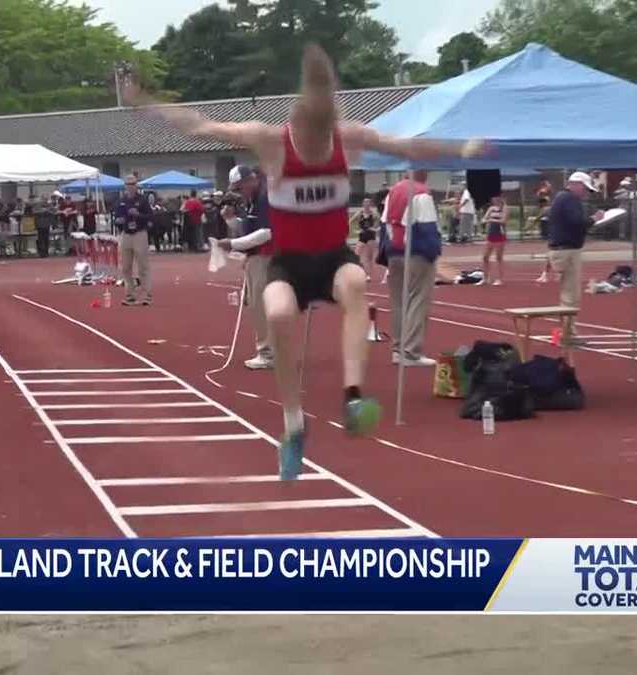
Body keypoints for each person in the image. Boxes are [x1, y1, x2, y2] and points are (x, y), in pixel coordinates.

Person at [134, 43, 484, 480]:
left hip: (333, 257)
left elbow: (406, 145)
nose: (320, 149)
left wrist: (462, 148)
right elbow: (202, 128)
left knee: (356, 283)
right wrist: (148, 104)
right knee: (278, 312)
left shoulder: (349, 137)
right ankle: (293, 422)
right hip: (290, 263)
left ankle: (353, 394)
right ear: (299, 126)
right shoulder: (268, 139)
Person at [216, 165, 275, 371]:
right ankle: (268, 350)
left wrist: (233, 245)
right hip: (255, 257)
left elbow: (266, 233)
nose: (239, 193)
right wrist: (230, 219)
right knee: (255, 304)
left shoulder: (265, 198)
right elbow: (247, 229)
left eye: (240, 188)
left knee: (261, 306)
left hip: (266, 257)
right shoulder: (251, 200)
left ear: (251, 181)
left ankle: (268, 353)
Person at [382, 170, 440, 367]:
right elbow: (428, 228)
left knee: (398, 302)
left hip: (394, 252)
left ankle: (398, 349)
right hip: (415, 252)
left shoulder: (394, 191)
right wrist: (434, 253)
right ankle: (411, 351)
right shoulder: (421, 193)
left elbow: (385, 224)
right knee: (418, 299)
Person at [548, 172, 602, 341]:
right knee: (571, 295)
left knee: (568, 294)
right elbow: (576, 223)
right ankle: (568, 333)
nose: (586, 193)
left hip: (561, 249)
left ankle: (566, 330)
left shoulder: (561, 198)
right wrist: (594, 219)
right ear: (577, 185)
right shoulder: (569, 199)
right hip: (567, 250)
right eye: (585, 189)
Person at [113, 175, 153, 306]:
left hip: (139, 233)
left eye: (132, 184)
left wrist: (138, 215)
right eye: (128, 184)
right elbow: (117, 217)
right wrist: (118, 221)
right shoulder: (121, 200)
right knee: (126, 267)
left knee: (143, 265)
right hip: (126, 234)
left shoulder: (142, 200)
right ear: (125, 185)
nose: (130, 186)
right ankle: (130, 294)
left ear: (136, 185)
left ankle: (147, 294)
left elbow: (150, 217)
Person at [480, 194, 508, 285]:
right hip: (491, 234)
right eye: (493, 198)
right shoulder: (491, 208)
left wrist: (492, 220)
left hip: (500, 234)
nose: (494, 199)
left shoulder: (505, 208)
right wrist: (485, 220)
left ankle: (500, 279)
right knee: (485, 257)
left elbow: (504, 220)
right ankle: (485, 278)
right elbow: (484, 218)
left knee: (499, 257)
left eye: (496, 197)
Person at [351, 197, 379, 281]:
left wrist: (375, 229)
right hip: (362, 236)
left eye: (369, 203)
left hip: (371, 237)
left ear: (370, 205)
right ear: (363, 204)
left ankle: (367, 275)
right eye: (365, 203)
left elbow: (381, 223)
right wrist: (356, 231)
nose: (367, 205)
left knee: (369, 257)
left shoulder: (373, 214)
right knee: (356, 255)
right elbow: (350, 221)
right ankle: (358, 273)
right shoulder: (359, 213)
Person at [534, 180, 556, 283]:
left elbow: (538, 217)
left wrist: (547, 186)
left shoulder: (547, 208)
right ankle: (545, 274)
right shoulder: (547, 208)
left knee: (552, 255)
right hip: (553, 234)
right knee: (552, 255)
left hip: (556, 234)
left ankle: (546, 275)